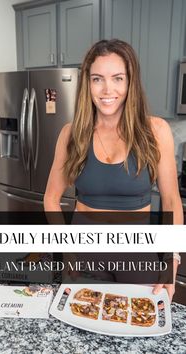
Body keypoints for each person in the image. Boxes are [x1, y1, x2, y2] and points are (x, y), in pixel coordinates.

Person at [44, 39, 183, 302]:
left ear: (130, 82)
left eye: (118, 78)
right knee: (78, 334)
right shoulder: (71, 134)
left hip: (137, 254)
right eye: (98, 79)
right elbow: (51, 198)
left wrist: (171, 257)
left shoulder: (156, 131)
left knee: (138, 328)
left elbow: (172, 200)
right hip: (82, 252)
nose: (108, 89)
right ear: (88, 83)